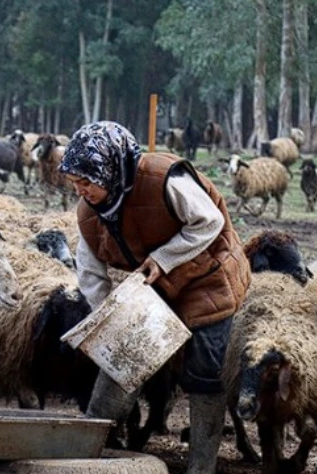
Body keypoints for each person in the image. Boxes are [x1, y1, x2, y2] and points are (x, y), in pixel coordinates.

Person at [58, 121, 251, 474]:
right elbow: (89, 271)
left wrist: (164, 259)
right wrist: (110, 319)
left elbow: (209, 221)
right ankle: (84, 457)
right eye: (74, 182)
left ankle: (201, 466)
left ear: (111, 169)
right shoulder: (89, 213)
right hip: (155, 285)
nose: (80, 191)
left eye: (86, 181)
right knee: (122, 361)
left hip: (208, 275)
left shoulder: (164, 179)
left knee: (205, 367)